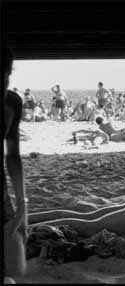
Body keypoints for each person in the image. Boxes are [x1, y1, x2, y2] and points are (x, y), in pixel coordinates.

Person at [3, 47, 28, 281]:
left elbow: (12, 155)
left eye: (7, 73)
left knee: (15, 267)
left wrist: (22, 203)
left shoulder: (11, 102)